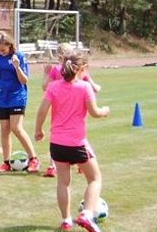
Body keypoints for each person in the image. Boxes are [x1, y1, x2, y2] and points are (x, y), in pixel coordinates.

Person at [34, 52, 110, 232]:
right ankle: (87, 214)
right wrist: (105, 110)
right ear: (82, 69)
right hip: (76, 143)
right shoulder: (84, 87)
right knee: (95, 178)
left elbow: (42, 111)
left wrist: (38, 130)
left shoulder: (53, 87)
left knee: (63, 181)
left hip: (57, 144)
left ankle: (66, 220)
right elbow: (94, 112)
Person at [0, 31, 40, 173]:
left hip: (17, 97)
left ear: (10, 45)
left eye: (3, 50)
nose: (1, 53)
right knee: (5, 129)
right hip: (2, 97)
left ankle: (33, 159)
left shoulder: (19, 57)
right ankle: (6, 162)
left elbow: (24, 81)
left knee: (16, 128)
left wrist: (17, 67)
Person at [41, 44, 101, 177]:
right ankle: (81, 164)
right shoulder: (79, 72)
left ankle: (52, 166)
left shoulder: (56, 71)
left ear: (59, 57)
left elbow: (45, 87)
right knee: (79, 140)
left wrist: (45, 74)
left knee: (58, 140)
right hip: (75, 116)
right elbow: (93, 87)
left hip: (59, 114)